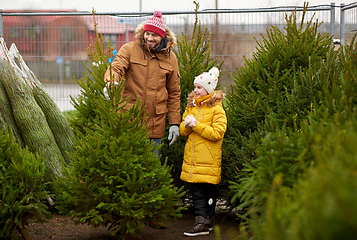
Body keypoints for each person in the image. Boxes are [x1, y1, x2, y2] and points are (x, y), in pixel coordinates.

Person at [103, 11, 181, 155]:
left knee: (152, 171)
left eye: (154, 35)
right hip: (129, 120)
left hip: (155, 125)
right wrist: (111, 81)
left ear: (162, 36)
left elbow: (174, 92)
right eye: (147, 34)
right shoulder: (129, 49)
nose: (149, 38)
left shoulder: (171, 59)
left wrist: (175, 123)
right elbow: (116, 66)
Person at [179, 67, 227, 237]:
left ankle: (206, 222)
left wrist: (196, 126)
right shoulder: (191, 106)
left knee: (208, 192)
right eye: (195, 87)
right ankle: (203, 222)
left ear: (208, 89)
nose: (195, 90)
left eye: (199, 87)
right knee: (198, 191)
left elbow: (217, 134)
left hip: (209, 159)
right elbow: (183, 132)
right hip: (193, 160)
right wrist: (186, 125)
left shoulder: (217, 109)